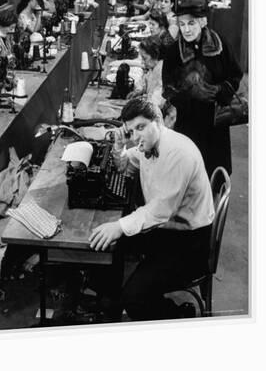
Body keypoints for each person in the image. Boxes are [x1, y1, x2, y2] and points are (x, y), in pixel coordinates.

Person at [89, 97, 214, 321]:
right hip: (168, 229)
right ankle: (111, 304)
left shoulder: (178, 153)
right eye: (131, 131)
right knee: (107, 245)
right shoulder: (149, 143)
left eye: (141, 127)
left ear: (158, 122)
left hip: (190, 243)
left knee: (135, 297)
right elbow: (126, 165)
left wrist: (119, 225)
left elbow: (159, 211)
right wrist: (119, 148)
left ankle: (175, 315)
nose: (136, 136)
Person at [162, 3, 243, 176]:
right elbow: (167, 87)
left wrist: (220, 91)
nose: (186, 30)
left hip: (216, 118)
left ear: (203, 22)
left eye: (191, 23)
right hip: (188, 120)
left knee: (215, 169)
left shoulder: (220, 45)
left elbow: (235, 75)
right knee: (188, 170)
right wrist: (189, 95)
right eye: (182, 24)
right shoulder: (173, 52)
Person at [139, 36, 165, 108]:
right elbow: (146, 80)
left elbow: (155, 104)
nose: (142, 62)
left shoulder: (162, 72)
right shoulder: (153, 67)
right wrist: (140, 90)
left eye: (144, 58)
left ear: (155, 55)